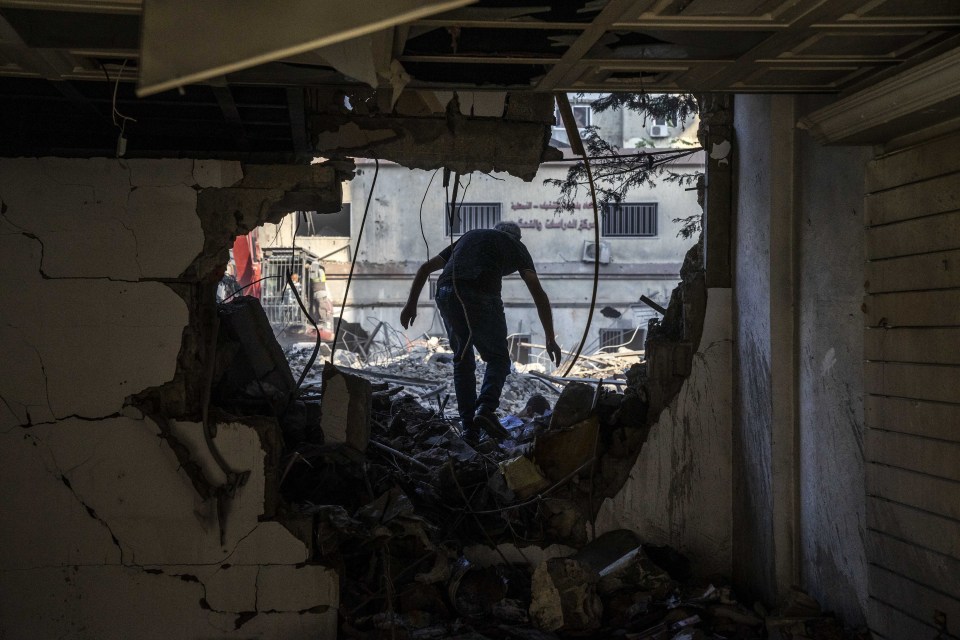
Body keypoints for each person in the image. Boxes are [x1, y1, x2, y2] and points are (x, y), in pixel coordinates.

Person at [401, 221, 562, 443]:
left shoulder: (470, 236)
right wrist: (550, 337)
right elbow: (538, 292)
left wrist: (411, 305)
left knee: (462, 361)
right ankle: (485, 409)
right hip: (481, 295)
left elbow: (425, 269)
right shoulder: (515, 245)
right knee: (498, 359)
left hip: (447, 292)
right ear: (517, 238)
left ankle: (470, 430)